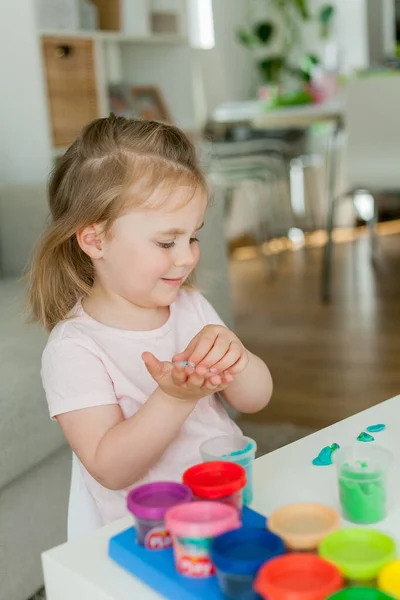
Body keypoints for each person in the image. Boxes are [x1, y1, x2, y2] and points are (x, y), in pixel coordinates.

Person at [28, 116, 273, 525]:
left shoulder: (189, 307)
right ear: (95, 239)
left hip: (229, 505)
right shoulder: (75, 348)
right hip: (150, 537)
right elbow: (110, 468)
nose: (186, 257)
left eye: (192, 237)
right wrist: (175, 398)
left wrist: (239, 358)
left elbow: (255, 400)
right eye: (166, 241)